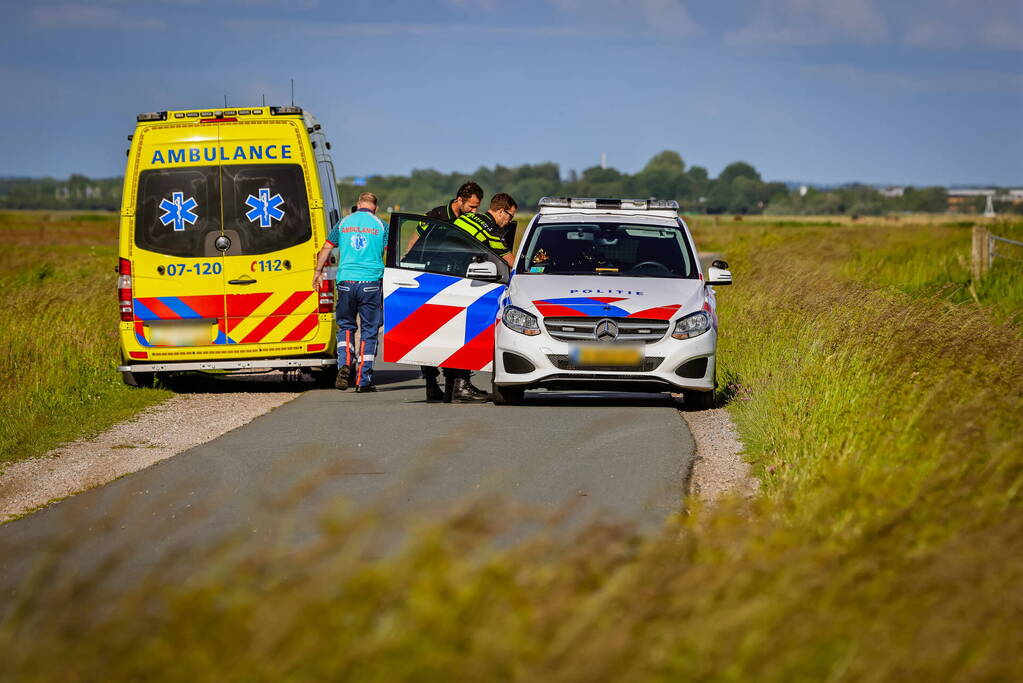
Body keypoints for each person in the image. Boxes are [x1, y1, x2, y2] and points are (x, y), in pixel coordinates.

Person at [441, 192, 519, 403]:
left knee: (452, 333)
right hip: (459, 282)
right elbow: (510, 261)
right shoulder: (490, 228)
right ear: (501, 211)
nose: (508, 222)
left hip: (442, 277)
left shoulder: (467, 218)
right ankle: (461, 386)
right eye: (510, 217)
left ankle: (451, 386)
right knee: (467, 332)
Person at [416, 181, 485, 403]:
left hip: (457, 283)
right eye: (472, 206)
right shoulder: (437, 215)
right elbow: (416, 240)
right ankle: (430, 383)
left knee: (453, 336)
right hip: (431, 279)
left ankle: (454, 383)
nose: (474, 211)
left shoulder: (469, 221)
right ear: (460, 200)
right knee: (428, 335)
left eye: (477, 207)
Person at [312, 192, 387, 393]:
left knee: (345, 326)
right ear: (375, 208)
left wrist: (318, 271)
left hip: (346, 282)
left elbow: (326, 248)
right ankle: (363, 381)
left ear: (358, 204)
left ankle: (345, 363)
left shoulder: (344, 222)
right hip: (370, 282)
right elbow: (389, 250)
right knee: (369, 331)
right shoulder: (380, 225)